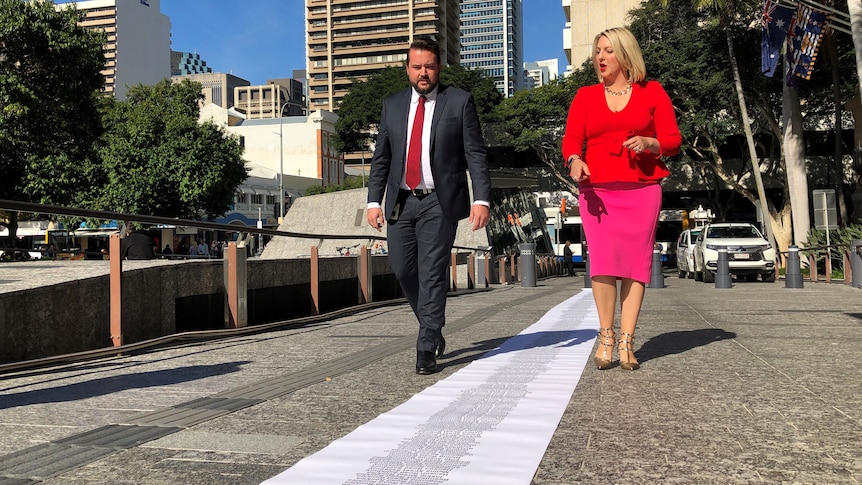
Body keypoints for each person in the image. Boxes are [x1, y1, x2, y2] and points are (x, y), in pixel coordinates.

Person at [366, 37, 491, 375]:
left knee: (432, 272)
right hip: (401, 201)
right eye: (417, 66)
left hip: (440, 200)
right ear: (407, 69)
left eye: (430, 66)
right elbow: (382, 159)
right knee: (403, 268)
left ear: (439, 68)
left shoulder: (459, 102)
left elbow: (475, 154)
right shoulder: (392, 105)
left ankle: (426, 347)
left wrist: (481, 198)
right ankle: (432, 325)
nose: (424, 72)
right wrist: (373, 201)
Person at [562, 27, 681, 371]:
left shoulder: (652, 91)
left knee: (634, 264)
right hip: (596, 189)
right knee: (602, 263)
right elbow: (572, 139)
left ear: (626, 55)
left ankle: (628, 340)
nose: (600, 57)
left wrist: (649, 142)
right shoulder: (584, 96)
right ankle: (606, 336)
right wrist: (575, 160)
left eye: (608, 50)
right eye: (597, 50)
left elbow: (672, 140)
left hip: (642, 188)